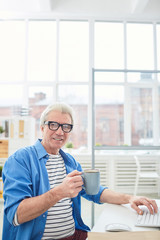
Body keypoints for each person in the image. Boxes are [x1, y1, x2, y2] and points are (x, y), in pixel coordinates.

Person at [2, 102, 158, 240]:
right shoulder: (20, 160)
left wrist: (129, 198)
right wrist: (59, 192)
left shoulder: (70, 162)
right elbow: (17, 215)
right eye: (53, 125)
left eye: (66, 126)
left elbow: (95, 191)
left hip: (74, 235)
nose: (60, 132)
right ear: (42, 127)